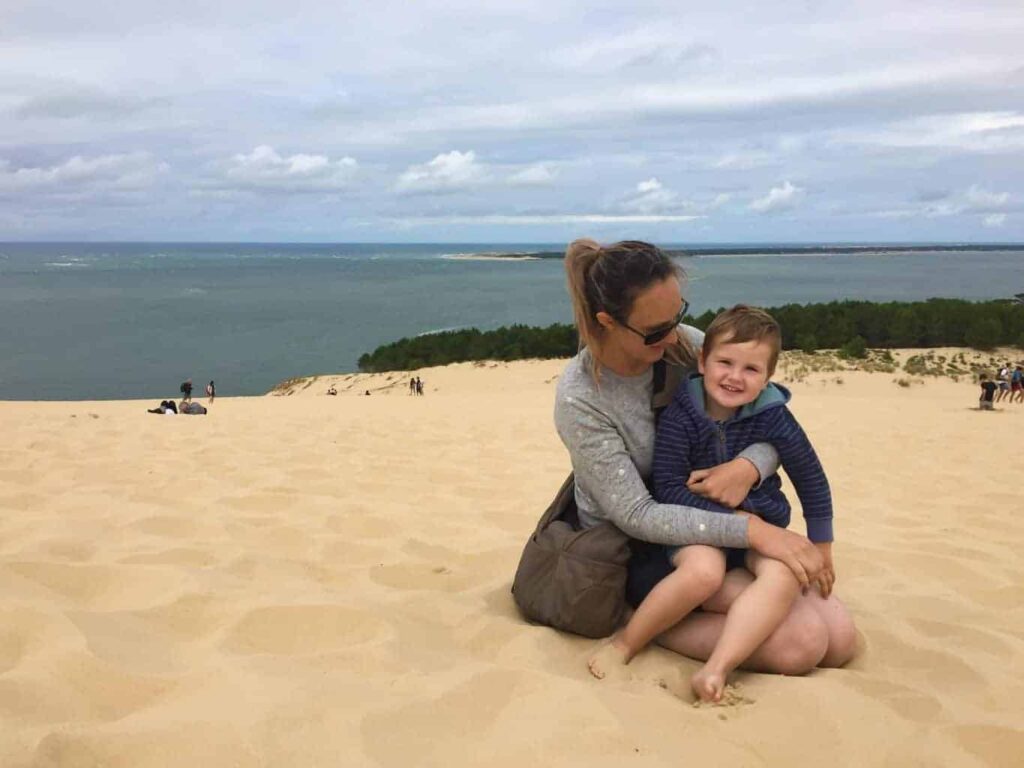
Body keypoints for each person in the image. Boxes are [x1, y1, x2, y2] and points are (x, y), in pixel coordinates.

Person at [553, 239, 856, 687]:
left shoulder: (685, 346)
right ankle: (640, 623)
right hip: (641, 547)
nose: (675, 336)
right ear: (607, 322)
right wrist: (754, 530)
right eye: (657, 330)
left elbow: (769, 420)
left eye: (678, 317)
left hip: (721, 527)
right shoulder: (581, 399)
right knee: (804, 641)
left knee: (842, 638)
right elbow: (639, 515)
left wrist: (749, 467)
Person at [612, 305, 836, 702]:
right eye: (725, 362)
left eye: (751, 369)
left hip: (756, 535)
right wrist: (732, 522)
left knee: (785, 576)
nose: (735, 377)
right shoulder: (682, 415)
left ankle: (716, 668)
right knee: (704, 570)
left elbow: (811, 476)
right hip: (696, 529)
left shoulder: (774, 416)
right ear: (702, 360)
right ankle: (626, 643)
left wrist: (822, 545)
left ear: (768, 376)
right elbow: (668, 488)